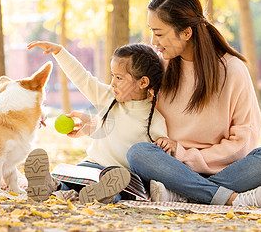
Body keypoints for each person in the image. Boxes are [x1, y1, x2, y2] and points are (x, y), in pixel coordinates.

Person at [125, 0, 261, 207]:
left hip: (223, 170)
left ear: (186, 32)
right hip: (170, 169)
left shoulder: (232, 69)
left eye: (159, 33)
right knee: (138, 153)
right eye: (151, 32)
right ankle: (228, 198)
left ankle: (183, 195)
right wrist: (91, 121)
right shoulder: (158, 68)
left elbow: (244, 140)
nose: (153, 42)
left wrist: (186, 155)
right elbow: (128, 106)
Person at [25, 41, 168, 203]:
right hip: (91, 166)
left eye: (119, 78)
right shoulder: (109, 97)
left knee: (117, 189)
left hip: (120, 176)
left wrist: (166, 144)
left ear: (143, 83)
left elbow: (158, 159)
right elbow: (82, 78)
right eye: (112, 76)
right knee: (73, 177)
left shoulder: (155, 120)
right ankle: (52, 186)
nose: (113, 82)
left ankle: (97, 194)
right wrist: (59, 52)